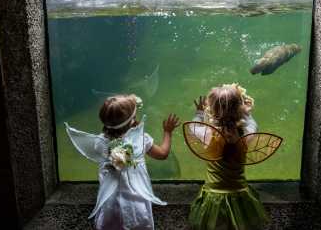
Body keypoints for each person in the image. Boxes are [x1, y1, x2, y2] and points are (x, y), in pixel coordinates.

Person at [65, 94, 180, 230]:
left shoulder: (100, 143)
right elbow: (163, 154)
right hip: (137, 207)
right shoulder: (141, 140)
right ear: (132, 120)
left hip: (110, 206)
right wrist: (168, 132)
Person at [186, 84, 271, 230]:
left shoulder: (207, 133)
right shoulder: (245, 133)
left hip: (213, 197)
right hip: (239, 193)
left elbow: (193, 127)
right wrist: (246, 113)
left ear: (211, 110)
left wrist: (199, 113)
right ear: (239, 109)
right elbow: (253, 124)